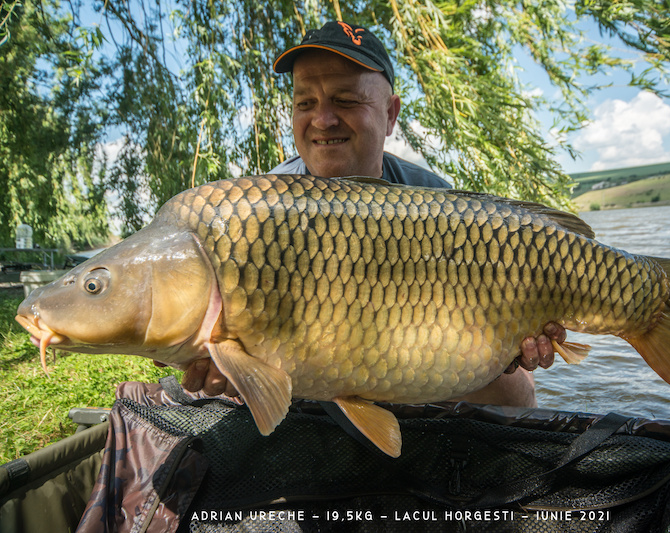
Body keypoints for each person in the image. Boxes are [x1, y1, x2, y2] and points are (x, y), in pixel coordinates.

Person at [180, 21, 568, 408]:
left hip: (411, 366)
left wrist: (502, 350)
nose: (323, 119)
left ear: (390, 114)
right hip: (305, 385)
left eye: (345, 100)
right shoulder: (259, 212)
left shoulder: (434, 199)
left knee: (517, 394)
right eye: (305, 103)